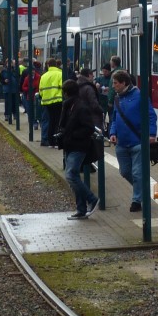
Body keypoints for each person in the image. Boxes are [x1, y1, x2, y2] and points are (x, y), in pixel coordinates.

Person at [108, 69, 158, 213]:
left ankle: (136, 201)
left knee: (137, 172)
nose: (113, 86)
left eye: (115, 83)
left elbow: (151, 116)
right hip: (121, 143)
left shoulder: (139, 96)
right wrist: (112, 132)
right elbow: (115, 118)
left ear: (123, 83)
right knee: (124, 171)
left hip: (138, 141)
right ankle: (142, 190)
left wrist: (152, 133)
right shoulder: (118, 98)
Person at [56, 79, 101, 219]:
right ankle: (81, 209)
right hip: (70, 145)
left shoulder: (80, 107)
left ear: (66, 92)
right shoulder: (68, 106)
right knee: (74, 176)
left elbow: (88, 128)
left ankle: (92, 199)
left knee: (70, 175)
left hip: (78, 146)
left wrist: (70, 134)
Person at [37, 58, 64, 147]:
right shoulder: (60, 74)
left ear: (48, 65)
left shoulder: (44, 76)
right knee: (58, 121)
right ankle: (56, 141)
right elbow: (63, 86)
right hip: (58, 100)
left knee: (51, 121)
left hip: (47, 102)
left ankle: (50, 141)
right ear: (56, 65)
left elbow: (40, 90)